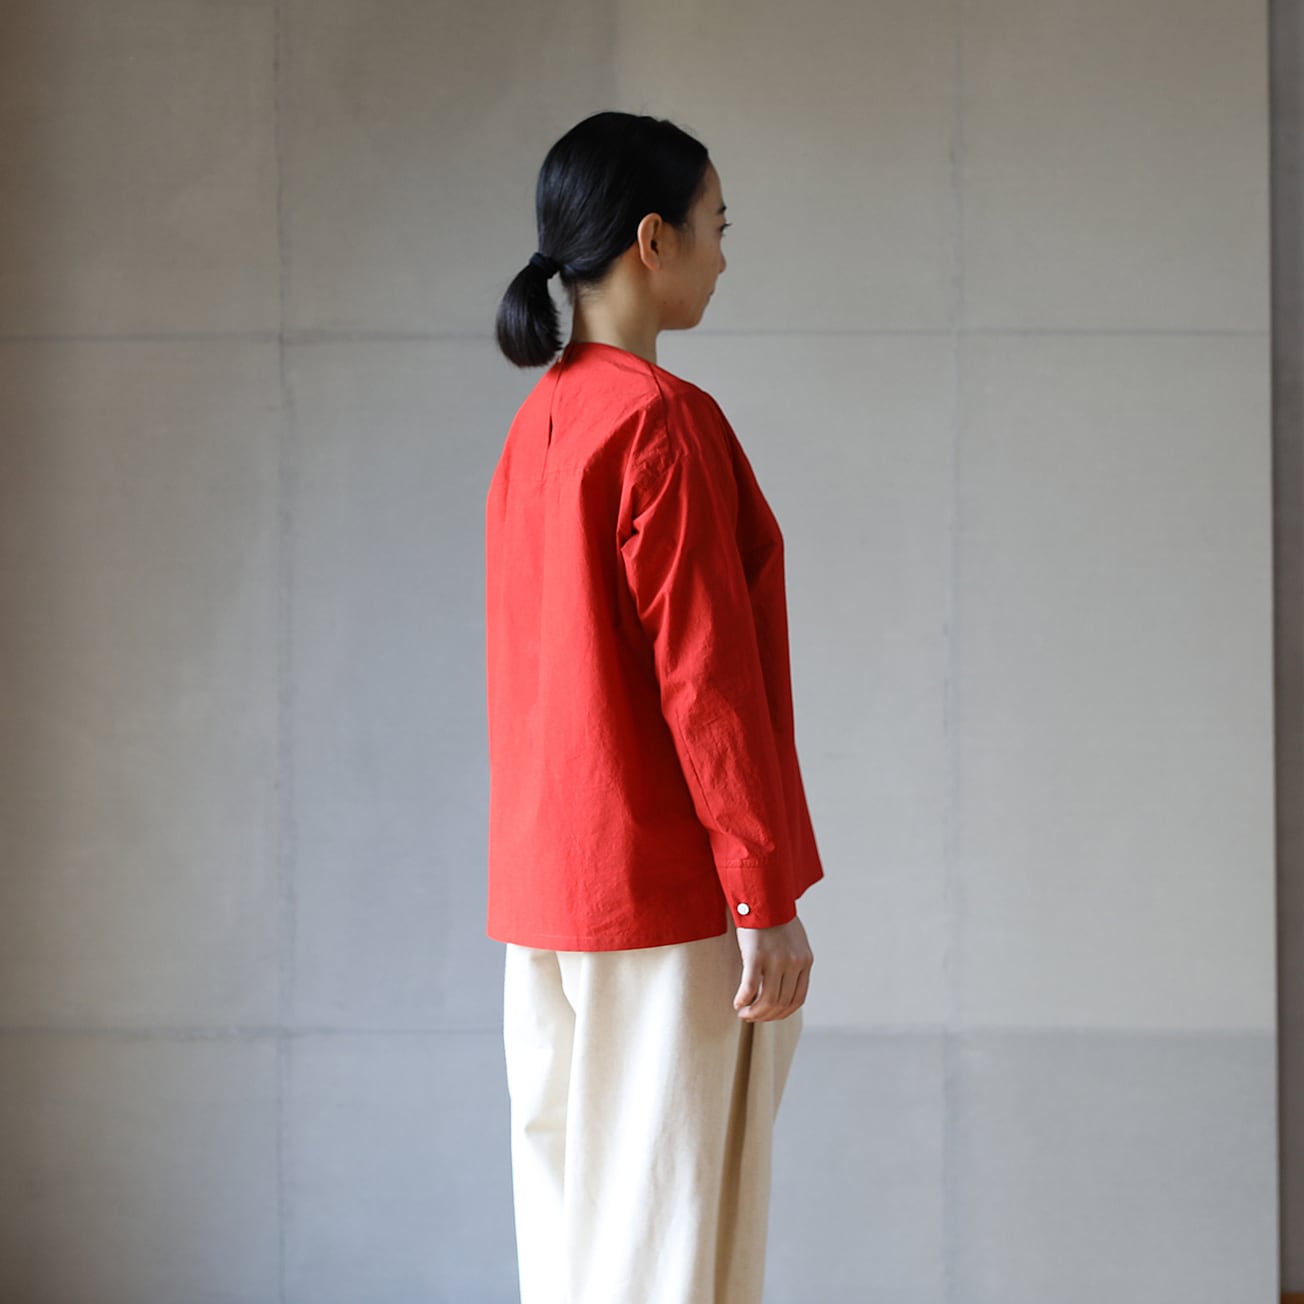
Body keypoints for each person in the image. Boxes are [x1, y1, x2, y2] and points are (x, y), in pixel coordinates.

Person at [485, 110, 825, 1304]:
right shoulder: (660, 422)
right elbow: (704, 682)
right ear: (651, 239)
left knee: (575, 1251)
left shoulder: (539, 425)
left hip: (548, 897)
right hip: (664, 897)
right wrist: (761, 894)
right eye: (714, 225)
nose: (723, 254)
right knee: (670, 1249)